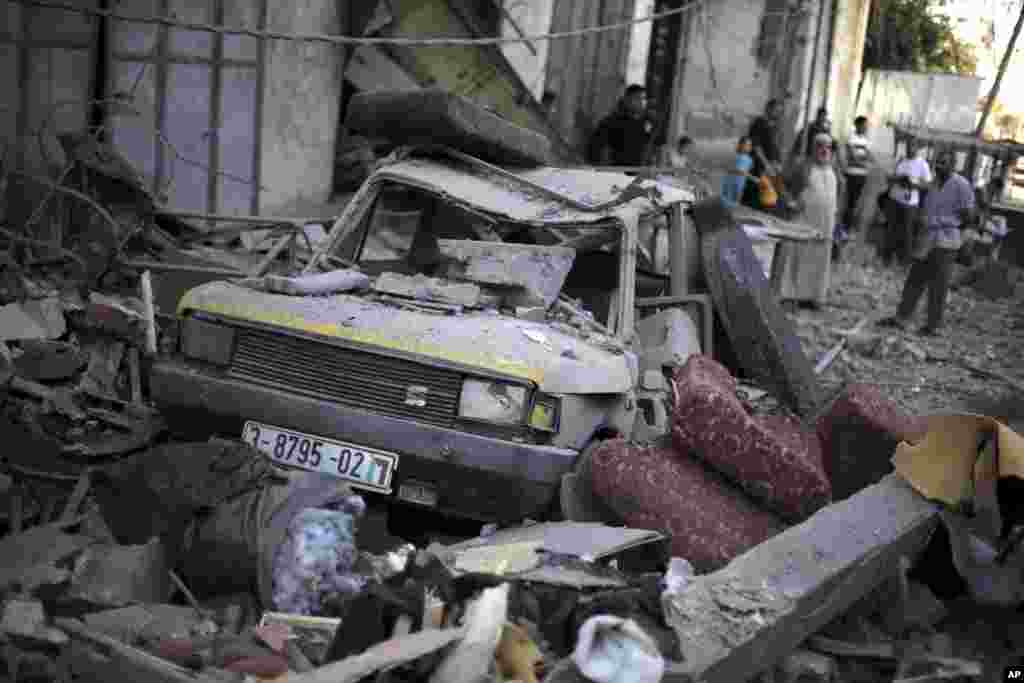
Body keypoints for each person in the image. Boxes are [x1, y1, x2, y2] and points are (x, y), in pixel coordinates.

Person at [879, 151, 974, 336]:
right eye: (938, 162)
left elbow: (969, 216)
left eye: (944, 163)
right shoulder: (934, 183)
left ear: (953, 165)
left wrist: (951, 224)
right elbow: (922, 195)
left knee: (939, 285)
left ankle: (933, 326)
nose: (939, 166)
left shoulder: (961, 185)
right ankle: (901, 317)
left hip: (947, 241)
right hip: (928, 238)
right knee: (914, 279)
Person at [771, 132, 840, 307]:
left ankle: (813, 297)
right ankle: (788, 295)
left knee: (819, 258)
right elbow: (779, 181)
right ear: (813, 147)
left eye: (828, 146)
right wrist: (789, 201)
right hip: (802, 220)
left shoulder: (833, 171)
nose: (824, 150)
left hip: (824, 224)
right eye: (820, 145)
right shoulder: (803, 167)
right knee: (795, 256)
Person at [882, 141, 932, 266]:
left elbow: (928, 185)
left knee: (906, 232)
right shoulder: (901, 161)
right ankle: (887, 257)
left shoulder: (922, 164)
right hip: (894, 199)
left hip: (910, 203)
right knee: (891, 228)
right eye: (908, 146)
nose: (910, 149)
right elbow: (889, 177)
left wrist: (913, 184)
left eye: (913, 146)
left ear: (918, 148)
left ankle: (904, 260)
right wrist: (898, 179)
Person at [586, 84, 654, 166]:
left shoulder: (649, 122)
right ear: (627, 100)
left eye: (644, 99)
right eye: (637, 98)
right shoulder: (612, 122)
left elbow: (657, 145)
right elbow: (596, 148)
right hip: (617, 172)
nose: (641, 102)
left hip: (641, 173)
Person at [742, 99, 783, 208]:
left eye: (779, 111)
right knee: (752, 195)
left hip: (768, 169)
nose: (778, 114)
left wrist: (777, 162)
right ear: (768, 109)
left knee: (764, 197)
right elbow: (756, 147)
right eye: (776, 110)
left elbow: (774, 147)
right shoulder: (759, 123)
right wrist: (766, 164)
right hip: (757, 167)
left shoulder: (774, 126)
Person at [840, 115, 874, 233]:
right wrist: (863, 160)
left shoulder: (866, 140)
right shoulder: (851, 138)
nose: (866, 128)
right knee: (848, 200)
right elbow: (853, 157)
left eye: (866, 126)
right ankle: (844, 226)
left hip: (862, 175)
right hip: (852, 174)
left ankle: (850, 225)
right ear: (857, 125)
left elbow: (870, 157)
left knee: (856, 201)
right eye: (864, 125)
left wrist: (863, 159)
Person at [721, 136, 754, 209]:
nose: (749, 147)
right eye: (747, 145)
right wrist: (752, 177)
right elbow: (730, 168)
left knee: (735, 205)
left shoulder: (749, 160)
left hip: (740, 186)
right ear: (740, 145)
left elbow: (746, 171)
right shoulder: (734, 156)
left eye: (750, 145)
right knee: (726, 204)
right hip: (730, 184)